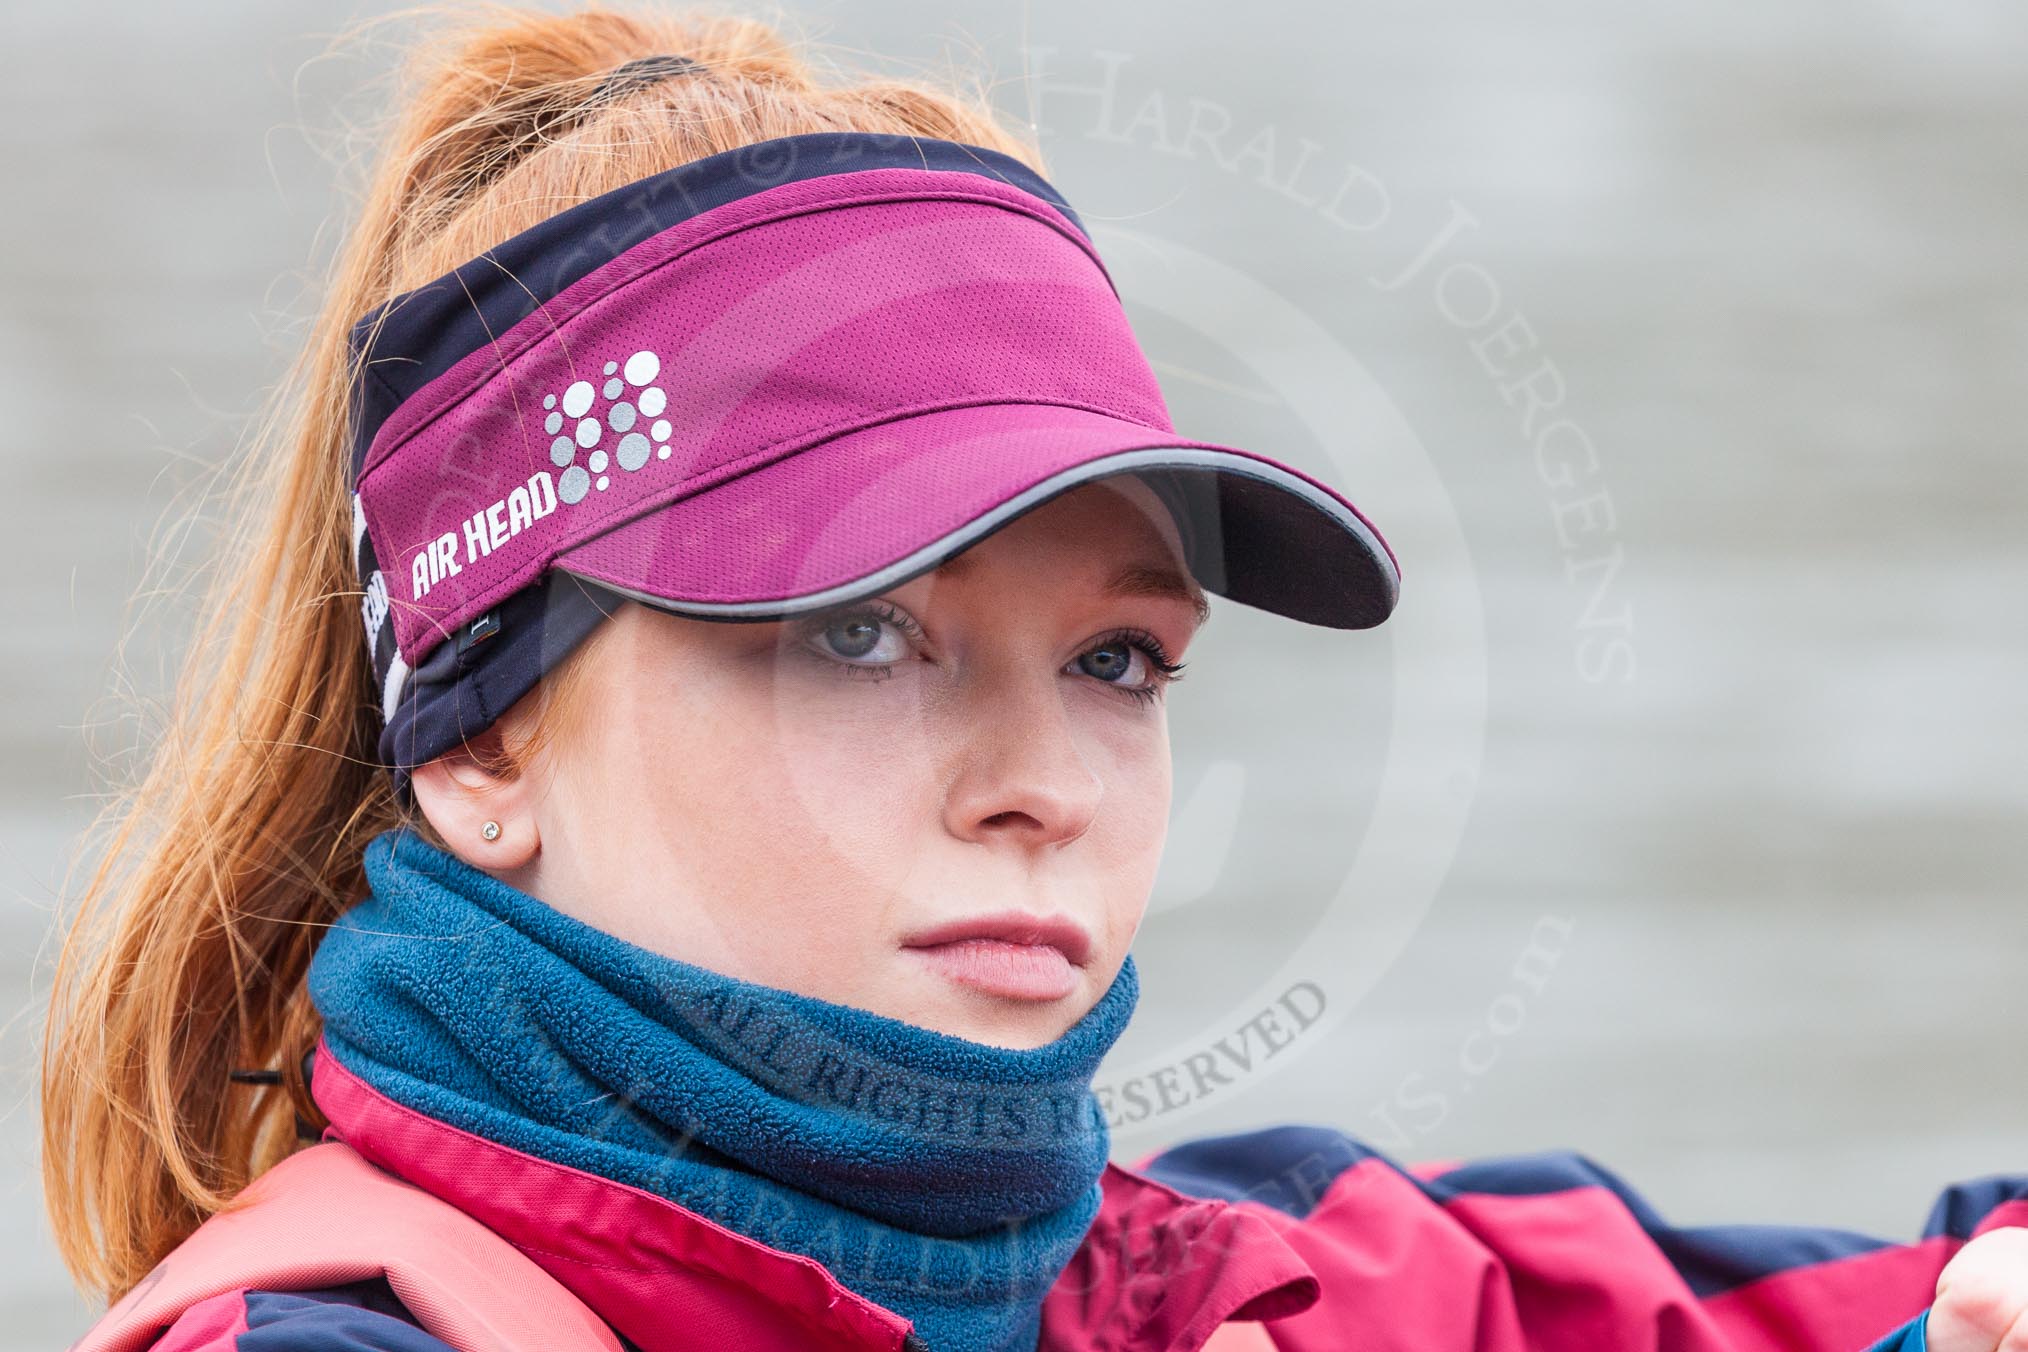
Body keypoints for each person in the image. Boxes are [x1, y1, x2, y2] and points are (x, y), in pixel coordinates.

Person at [39, 8, 2027, 1352]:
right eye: (854, 627)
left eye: (1118, 657)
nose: (1041, 780)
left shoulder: (1263, 1284)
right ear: (481, 731)